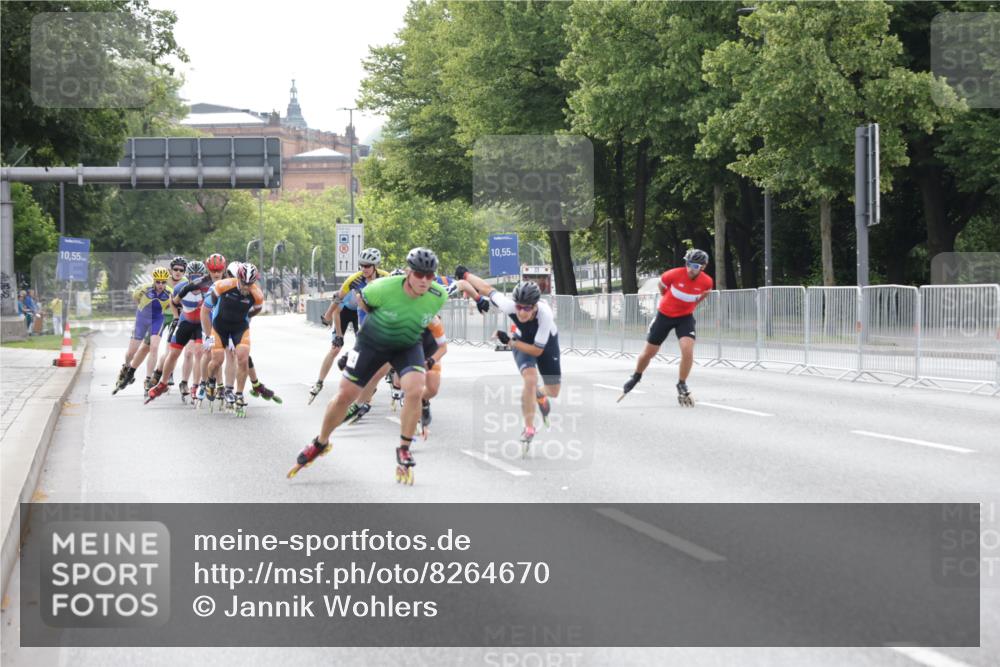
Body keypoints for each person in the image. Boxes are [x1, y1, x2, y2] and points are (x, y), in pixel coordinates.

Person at [289, 248, 448, 484]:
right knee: (346, 394)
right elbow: (362, 303)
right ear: (408, 273)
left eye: (429, 275)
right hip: (374, 341)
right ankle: (321, 442)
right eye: (419, 274)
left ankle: (404, 448)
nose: (424, 280)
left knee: (415, 389)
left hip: (406, 343)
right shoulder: (381, 287)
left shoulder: (439, 295)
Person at [455, 268, 560, 453]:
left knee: (554, 391)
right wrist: (466, 275)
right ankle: (529, 428)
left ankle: (540, 395)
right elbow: (486, 289)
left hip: (545, 345)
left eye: (527, 308)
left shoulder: (545, 315)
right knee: (530, 379)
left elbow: (537, 350)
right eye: (519, 307)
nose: (521, 312)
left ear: (535, 306)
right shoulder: (508, 305)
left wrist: (510, 342)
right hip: (522, 341)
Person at [619, 248, 714, 406]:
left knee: (687, 349)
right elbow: (662, 288)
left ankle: (681, 383)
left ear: (703, 267)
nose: (690, 269)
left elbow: (703, 296)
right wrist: (669, 301)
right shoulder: (673, 274)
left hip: (685, 318)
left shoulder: (707, 282)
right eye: (688, 264)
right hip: (664, 315)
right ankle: (636, 375)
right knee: (649, 352)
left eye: (695, 266)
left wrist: (688, 307)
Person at [309, 248, 388, 404]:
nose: (364, 269)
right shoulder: (353, 280)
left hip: (365, 313)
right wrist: (335, 330)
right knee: (335, 348)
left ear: (375, 266)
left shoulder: (385, 277)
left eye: (367, 266)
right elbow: (337, 306)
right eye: (361, 265)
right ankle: (319, 381)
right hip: (344, 312)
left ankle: (369, 382)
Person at [200, 263, 264, 417]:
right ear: (237, 278)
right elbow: (205, 310)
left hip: (239, 327)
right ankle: (210, 381)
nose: (246, 287)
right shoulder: (222, 286)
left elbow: (254, 312)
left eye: (250, 284)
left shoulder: (257, 295)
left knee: (242, 358)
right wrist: (208, 337)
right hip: (219, 326)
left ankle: (239, 394)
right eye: (243, 283)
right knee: (217, 360)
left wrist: (244, 320)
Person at [145, 261, 208, 404]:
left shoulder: (208, 288)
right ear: (188, 276)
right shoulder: (181, 287)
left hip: (200, 324)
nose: (195, 279)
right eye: (192, 276)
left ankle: (193, 385)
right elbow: (173, 302)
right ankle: (163, 382)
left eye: (198, 276)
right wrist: (175, 317)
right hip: (185, 321)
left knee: (194, 353)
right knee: (173, 353)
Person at [114, 268, 174, 393]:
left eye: (163, 282)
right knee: (131, 353)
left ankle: (148, 379)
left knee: (154, 347)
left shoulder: (170, 292)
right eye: (158, 282)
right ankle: (126, 367)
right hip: (142, 319)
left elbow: (170, 305)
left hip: (157, 319)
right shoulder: (144, 289)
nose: (161, 285)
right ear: (154, 281)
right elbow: (135, 298)